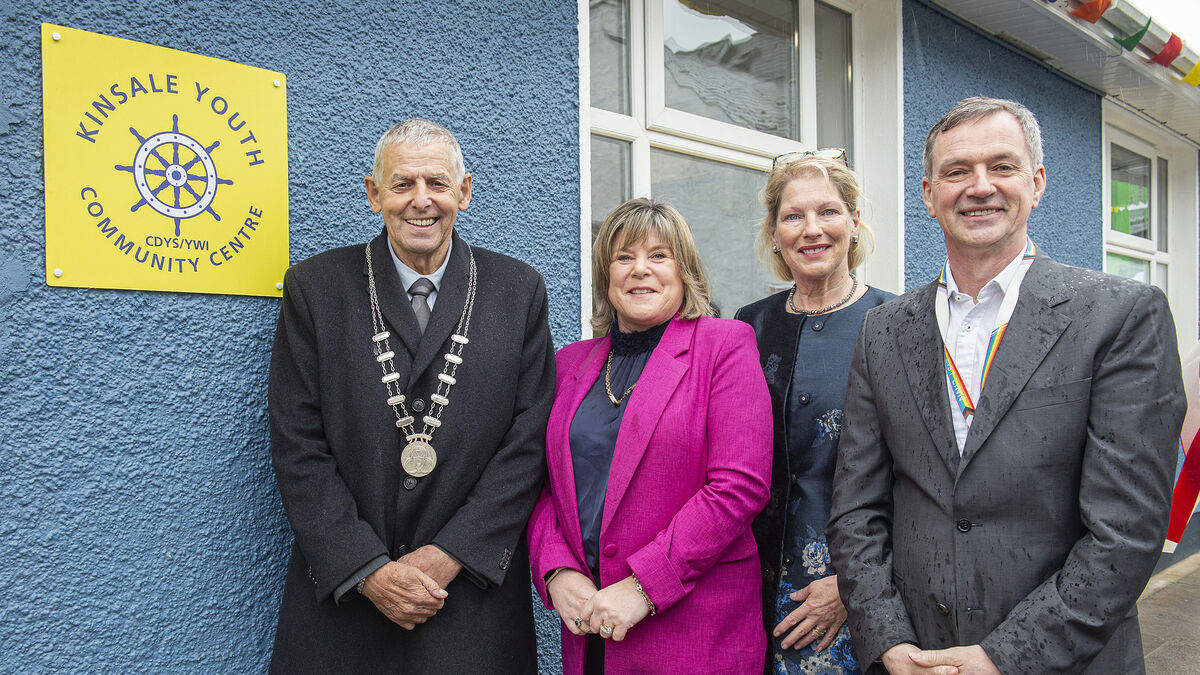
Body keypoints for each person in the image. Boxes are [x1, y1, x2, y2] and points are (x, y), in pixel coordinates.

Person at [827, 97, 1187, 674]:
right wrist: (888, 640)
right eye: (957, 171)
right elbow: (856, 509)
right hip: (917, 658)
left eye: (1002, 166)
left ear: (1036, 183)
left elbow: (1126, 530)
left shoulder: (1119, 316)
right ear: (928, 195)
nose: (980, 187)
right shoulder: (884, 329)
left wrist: (1003, 658)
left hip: (1066, 660)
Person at [267, 119, 555, 673]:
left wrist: (453, 552)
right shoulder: (316, 289)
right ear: (374, 194)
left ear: (463, 192)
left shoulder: (518, 290)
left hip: (469, 604)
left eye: (437, 183)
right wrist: (367, 568)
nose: (421, 201)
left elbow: (529, 440)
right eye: (402, 184)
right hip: (347, 608)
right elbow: (297, 442)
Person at [527, 198, 773, 674]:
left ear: (685, 271)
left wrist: (643, 585)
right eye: (624, 257)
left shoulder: (725, 344)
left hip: (693, 635)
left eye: (659, 255)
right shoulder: (569, 363)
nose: (640, 269)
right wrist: (556, 570)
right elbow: (540, 487)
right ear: (606, 275)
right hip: (591, 633)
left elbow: (739, 486)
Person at [735, 153, 894, 675]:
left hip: (854, 594)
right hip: (749, 588)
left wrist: (853, 586)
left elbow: (924, 475)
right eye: (793, 216)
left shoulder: (896, 322)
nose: (811, 230)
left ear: (854, 221)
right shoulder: (749, 326)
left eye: (827, 211)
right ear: (774, 234)